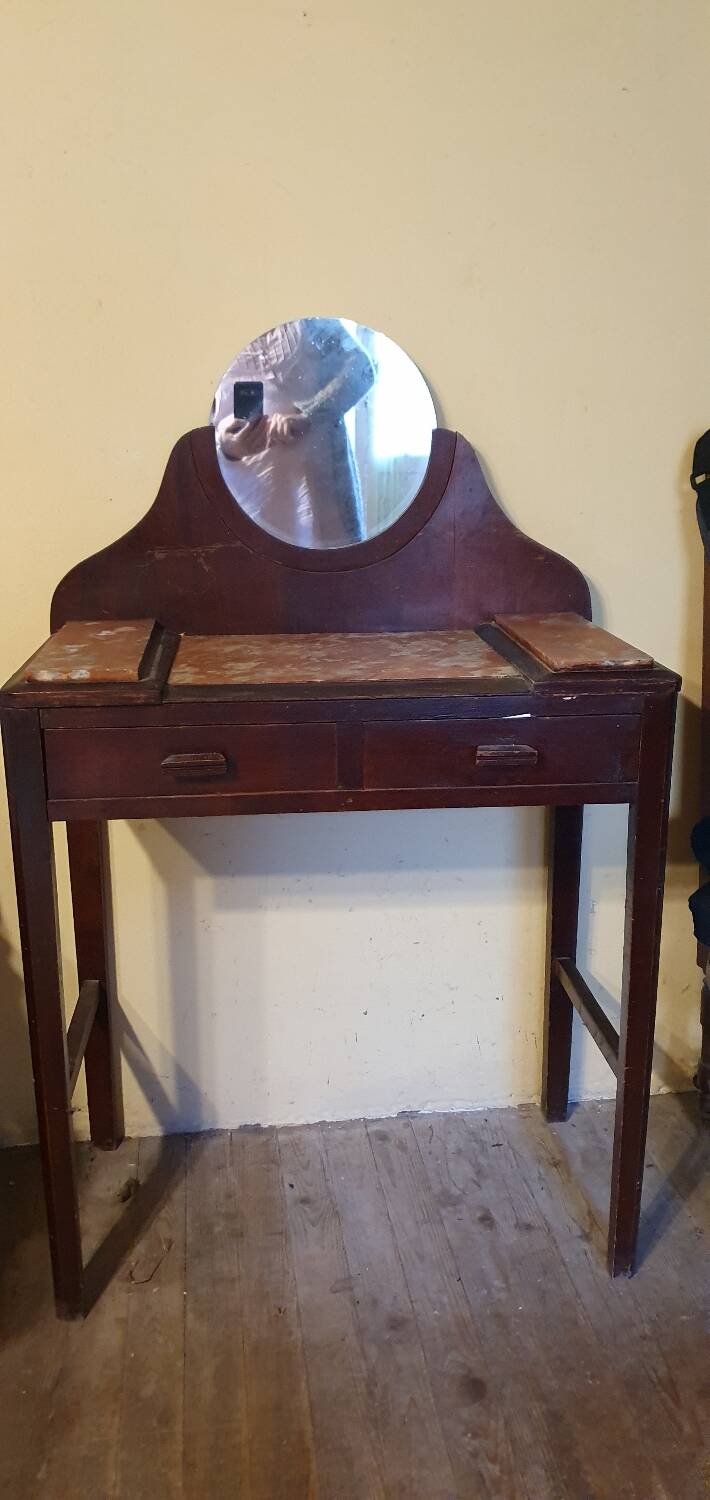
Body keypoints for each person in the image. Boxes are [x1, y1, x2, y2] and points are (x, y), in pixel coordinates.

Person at [211, 318, 376, 548]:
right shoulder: (208, 325)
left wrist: (309, 416)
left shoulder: (306, 315)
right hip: (239, 491)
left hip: (317, 487)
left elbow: (363, 369)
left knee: (328, 576)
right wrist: (226, 445)